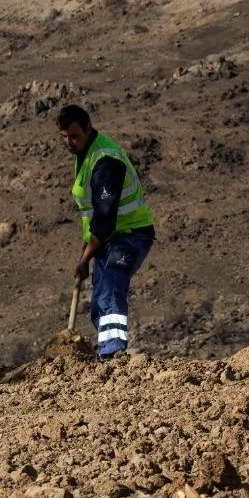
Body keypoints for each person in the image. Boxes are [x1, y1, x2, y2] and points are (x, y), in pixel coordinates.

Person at [57, 105, 155, 358]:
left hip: (130, 234)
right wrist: (86, 253)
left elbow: (105, 218)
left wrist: (85, 257)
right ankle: (105, 352)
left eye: (74, 136)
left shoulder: (105, 161)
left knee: (111, 284)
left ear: (88, 128)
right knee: (99, 298)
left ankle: (112, 355)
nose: (69, 142)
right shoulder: (85, 153)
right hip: (105, 238)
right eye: (64, 137)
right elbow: (92, 216)